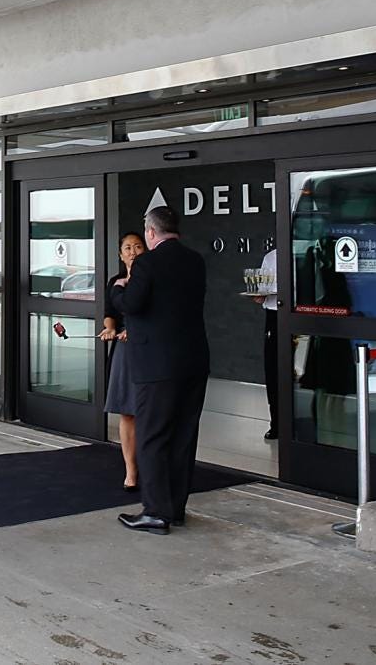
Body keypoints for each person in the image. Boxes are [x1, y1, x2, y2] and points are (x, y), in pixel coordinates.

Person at [117, 206, 210, 535]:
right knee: (183, 436)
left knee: (153, 436)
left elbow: (132, 304)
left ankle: (156, 511)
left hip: (157, 365)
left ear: (151, 232)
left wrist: (118, 287)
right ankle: (176, 509)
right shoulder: (195, 260)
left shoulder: (147, 263)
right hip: (194, 361)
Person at [99, 232, 147, 493]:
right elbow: (109, 313)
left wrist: (137, 328)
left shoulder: (152, 279)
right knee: (127, 410)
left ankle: (149, 467)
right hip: (124, 349)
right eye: (127, 247)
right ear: (120, 254)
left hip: (148, 345)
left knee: (148, 409)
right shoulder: (115, 282)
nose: (132, 251)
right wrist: (110, 328)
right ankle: (131, 470)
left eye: (138, 246)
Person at [242, 245, 281, 440]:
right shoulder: (271, 257)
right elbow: (262, 291)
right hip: (274, 316)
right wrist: (259, 295)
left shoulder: (305, 253)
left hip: (300, 314)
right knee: (273, 370)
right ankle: (276, 422)